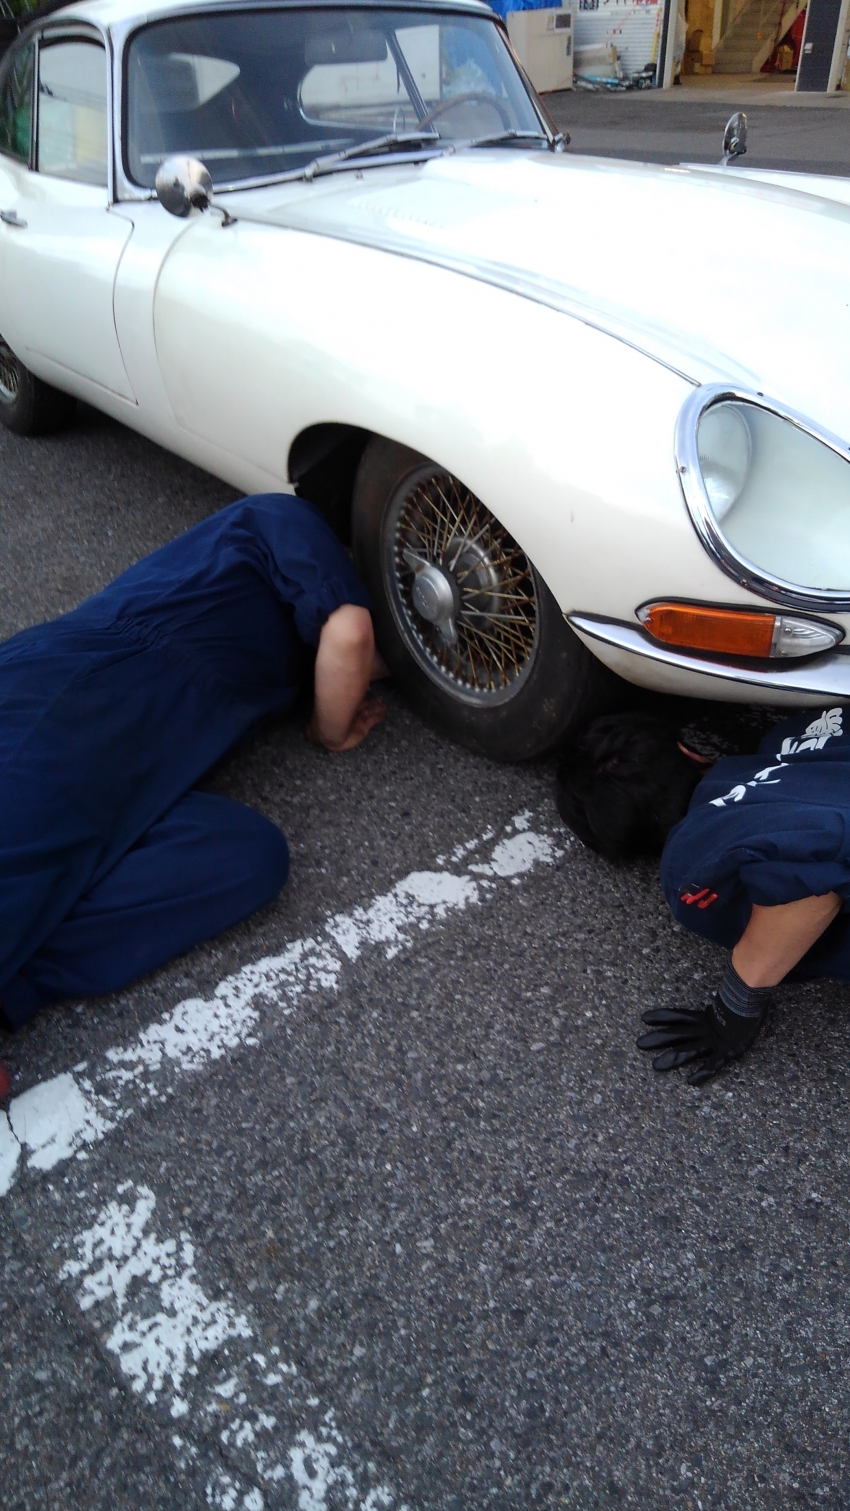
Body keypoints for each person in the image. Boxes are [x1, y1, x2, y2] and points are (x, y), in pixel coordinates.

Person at [0, 493, 386, 1053]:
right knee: (241, 855)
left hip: (50, 666)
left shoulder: (218, 554)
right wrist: (330, 731)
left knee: (246, 855)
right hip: (101, 718)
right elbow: (352, 636)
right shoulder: (282, 519)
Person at [556, 706, 850, 1085]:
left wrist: (737, 1004)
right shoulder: (799, 734)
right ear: (689, 752)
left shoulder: (696, 850)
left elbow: (810, 876)